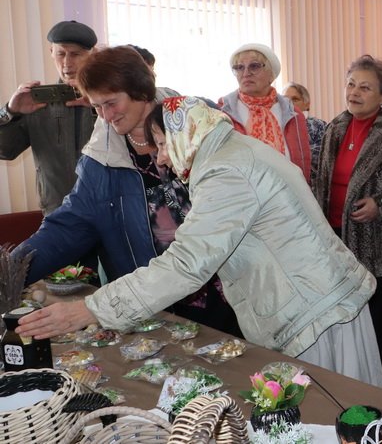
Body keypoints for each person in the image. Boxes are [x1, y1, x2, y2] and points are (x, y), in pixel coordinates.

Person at [17, 96, 382, 388]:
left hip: (315, 315)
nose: (162, 157)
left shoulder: (225, 171)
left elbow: (186, 264)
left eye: (163, 143)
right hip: (319, 302)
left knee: (335, 416)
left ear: (188, 131)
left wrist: (91, 310)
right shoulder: (230, 153)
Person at [13, 45, 242, 337]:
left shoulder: (199, 129)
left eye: (111, 103)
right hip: (154, 306)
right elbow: (67, 227)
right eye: (96, 106)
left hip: (229, 294)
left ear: (141, 91)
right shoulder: (100, 161)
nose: (106, 116)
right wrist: (10, 270)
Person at [314, 55, 382, 391]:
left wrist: (379, 205)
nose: (354, 92)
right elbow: (319, 182)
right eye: (351, 84)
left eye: (365, 87)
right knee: (346, 327)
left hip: (380, 248)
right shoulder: (335, 127)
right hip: (337, 244)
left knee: (380, 330)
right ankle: (348, 390)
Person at [0, 20, 97, 214]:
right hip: (57, 214)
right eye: (61, 54)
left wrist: (98, 104)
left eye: (75, 54)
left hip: (107, 213)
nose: (67, 63)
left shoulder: (109, 102)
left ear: (91, 55)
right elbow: (5, 151)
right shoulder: (36, 104)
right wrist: (10, 111)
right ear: (51, 52)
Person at [219, 43, 311, 183]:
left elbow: (303, 163)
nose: (246, 73)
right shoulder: (222, 111)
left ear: (271, 75)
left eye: (254, 66)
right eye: (239, 67)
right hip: (239, 190)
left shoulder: (294, 114)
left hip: (287, 189)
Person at [284, 81, 327, 185]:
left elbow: (322, 156)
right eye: (285, 99)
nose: (289, 103)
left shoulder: (318, 125)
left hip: (310, 185)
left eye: (295, 99)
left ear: (307, 105)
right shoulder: (275, 126)